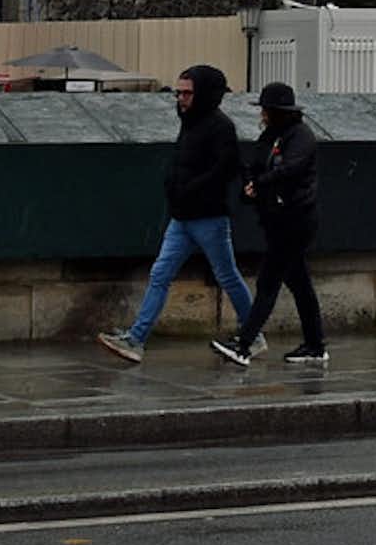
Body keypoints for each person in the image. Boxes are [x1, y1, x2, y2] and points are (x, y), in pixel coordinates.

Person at [95, 63, 254, 364]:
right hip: (183, 217)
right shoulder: (191, 121)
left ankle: (252, 333)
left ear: (204, 94)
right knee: (160, 274)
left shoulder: (220, 127)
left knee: (226, 275)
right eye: (178, 92)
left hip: (208, 217)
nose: (179, 98)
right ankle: (137, 338)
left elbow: (224, 168)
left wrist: (189, 188)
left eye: (186, 93)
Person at [213, 82, 325, 369]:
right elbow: (257, 164)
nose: (262, 114)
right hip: (277, 219)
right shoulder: (273, 134)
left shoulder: (301, 136)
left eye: (266, 109)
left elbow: (289, 170)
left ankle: (244, 345)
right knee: (300, 285)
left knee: (268, 281)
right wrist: (250, 182)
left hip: (295, 221)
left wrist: (260, 183)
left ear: (278, 112)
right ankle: (315, 345)